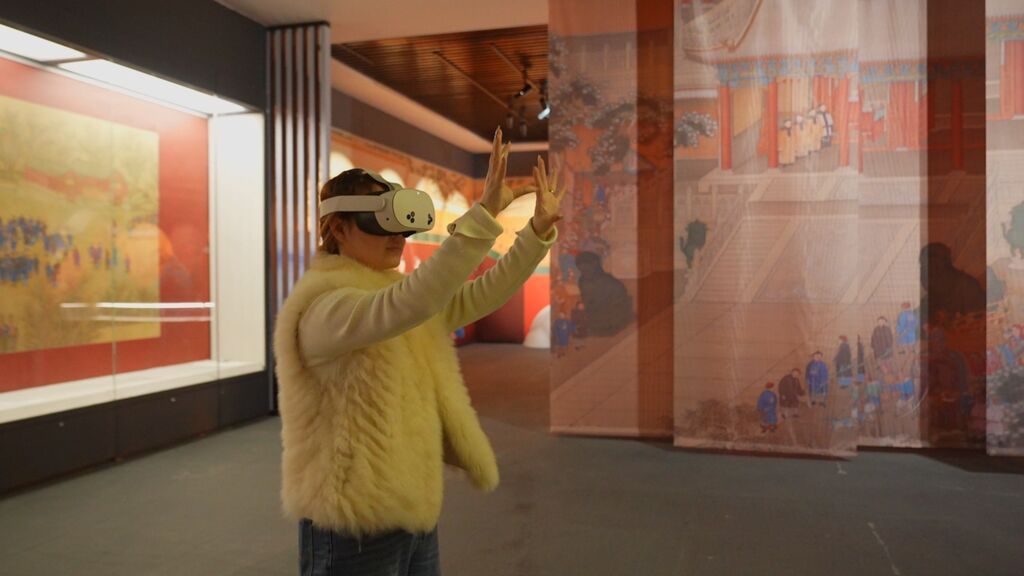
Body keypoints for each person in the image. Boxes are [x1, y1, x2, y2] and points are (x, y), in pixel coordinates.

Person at [274, 128, 563, 576]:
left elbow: (477, 295)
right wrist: (484, 214)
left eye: (399, 220)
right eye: (378, 221)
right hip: (352, 517)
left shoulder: (393, 298)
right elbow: (412, 302)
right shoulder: (325, 308)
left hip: (410, 503)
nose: (397, 236)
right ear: (338, 228)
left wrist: (536, 232)